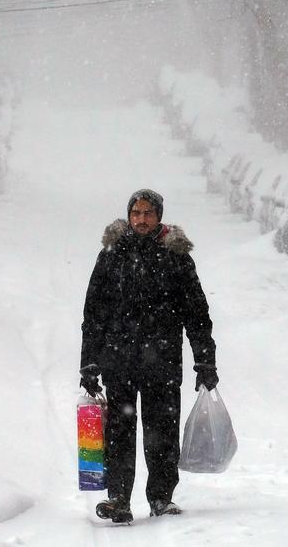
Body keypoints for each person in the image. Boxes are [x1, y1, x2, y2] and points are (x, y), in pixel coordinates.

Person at [79, 188, 218, 524]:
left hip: (163, 364)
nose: (141, 220)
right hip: (119, 361)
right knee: (119, 433)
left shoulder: (176, 257)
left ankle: (160, 497)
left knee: (162, 433)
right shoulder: (112, 254)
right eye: (136, 213)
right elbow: (94, 313)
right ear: (129, 216)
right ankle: (119, 499)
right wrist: (89, 363)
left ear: (158, 217)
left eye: (147, 214)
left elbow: (196, 314)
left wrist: (205, 360)